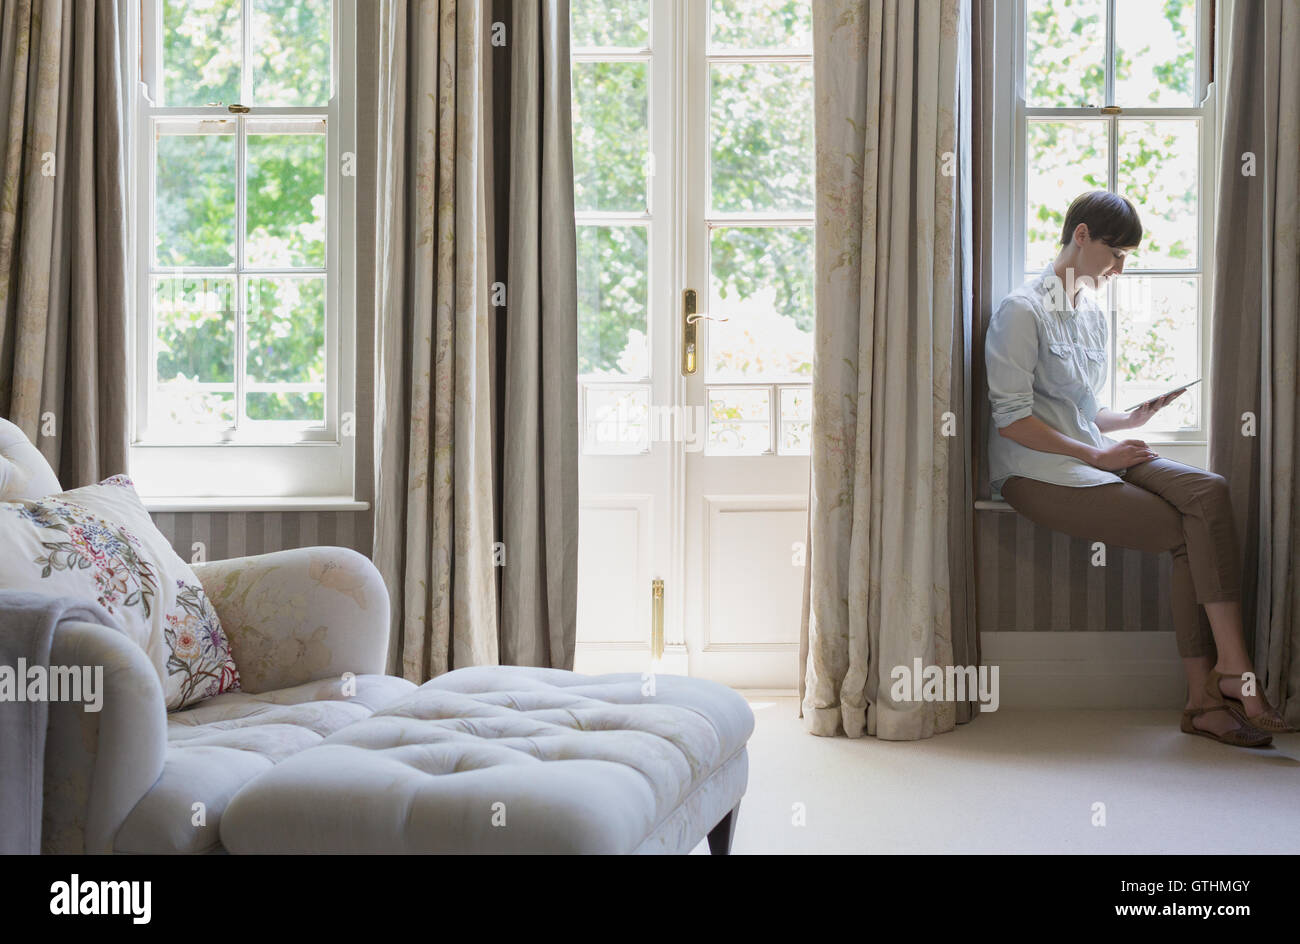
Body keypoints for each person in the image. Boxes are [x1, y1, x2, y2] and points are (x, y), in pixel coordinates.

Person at [984, 190, 1295, 748]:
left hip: (1091, 453)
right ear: (1081, 236)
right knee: (1187, 533)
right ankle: (1215, 691)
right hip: (1035, 472)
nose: (1120, 266)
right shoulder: (1020, 310)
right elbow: (1012, 421)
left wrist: (1128, 418)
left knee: (1208, 491)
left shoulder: (1092, 315)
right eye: (1116, 251)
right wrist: (1099, 454)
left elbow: (1083, 411)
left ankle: (1224, 675)